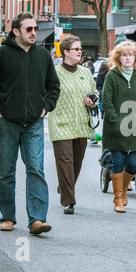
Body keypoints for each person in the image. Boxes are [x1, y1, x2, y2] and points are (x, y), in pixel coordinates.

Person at [0, 12, 60, 234]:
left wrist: (44, 108)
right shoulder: (1, 55)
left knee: (36, 169)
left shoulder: (43, 56)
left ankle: (37, 220)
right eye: (29, 29)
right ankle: (8, 217)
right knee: (7, 172)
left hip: (34, 122)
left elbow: (53, 87)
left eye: (35, 29)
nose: (34, 33)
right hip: (7, 123)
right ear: (16, 32)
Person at [47, 36, 99, 215]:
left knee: (76, 163)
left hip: (82, 127)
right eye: (76, 49)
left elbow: (95, 93)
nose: (80, 51)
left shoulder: (85, 72)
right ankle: (69, 201)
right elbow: (47, 94)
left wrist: (92, 100)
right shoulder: (54, 73)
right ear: (66, 52)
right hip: (61, 125)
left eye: (80, 48)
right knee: (66, 162)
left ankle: (64, 186)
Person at [102, 39, 136, 213]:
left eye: (131, 55)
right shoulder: (112, 76)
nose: (128, 58)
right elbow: (107, 101)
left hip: (134, 128)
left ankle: (124, 189)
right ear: (118, 58)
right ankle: (118, 199)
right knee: (118, 162)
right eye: (124, 55)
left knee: (132, 164)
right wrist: (116, 121)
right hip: (115, 129)